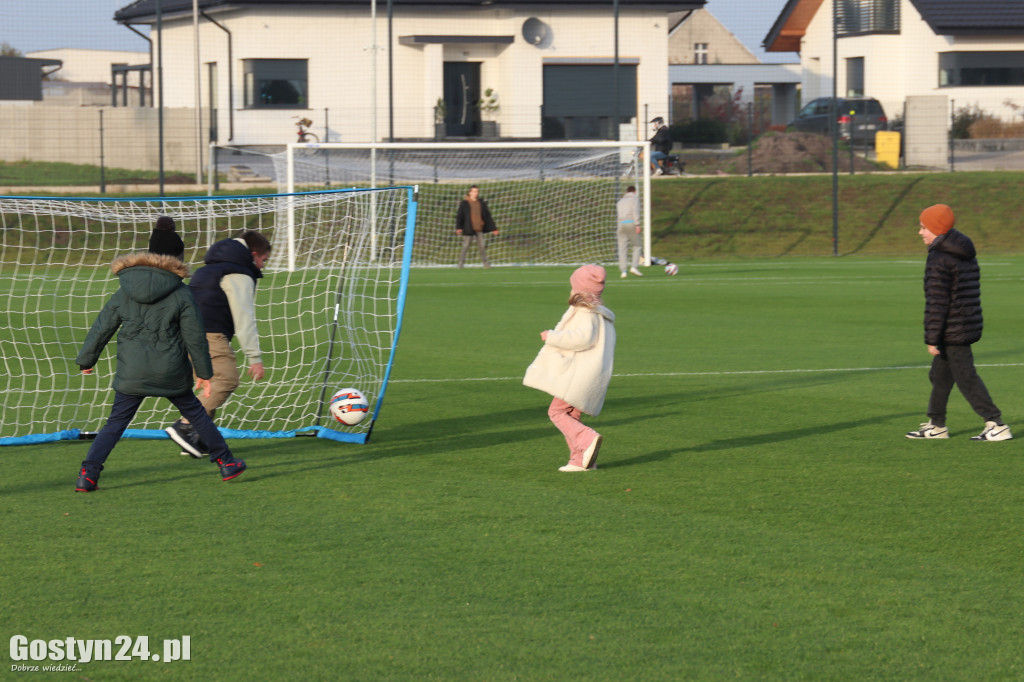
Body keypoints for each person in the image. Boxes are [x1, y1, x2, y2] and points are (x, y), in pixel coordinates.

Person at [74, 240, 247, 491]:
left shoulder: (124, 291)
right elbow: (195, 337)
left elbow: (102, 328)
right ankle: (226, 463)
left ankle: (88, 475)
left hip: (132, 372)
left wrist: (86, 360)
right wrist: (205, 373)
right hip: (171, 371)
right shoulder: (182, 292)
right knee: (198, 416)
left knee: (115, 424)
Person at [905, 204, 1012, 441]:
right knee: (939, 375)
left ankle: (996, 423)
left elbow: (937, 302)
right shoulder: (961, 251)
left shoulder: (939, 257)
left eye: (923, 227)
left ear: (936, 228)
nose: (920, 232)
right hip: (964, 324)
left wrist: (932, 339)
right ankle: (937, 425)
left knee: (965, 376)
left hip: (952, 329)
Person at [165, 230, 271, 457]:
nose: (262, 266)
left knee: (209, 385)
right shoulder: (239, 273)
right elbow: (244, 317)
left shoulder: (208, 269)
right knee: (227, 379)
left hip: (184, 332)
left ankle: (197, 439)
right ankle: (185, 427)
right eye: (263, 260)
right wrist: (254, 358)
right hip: (209, 335)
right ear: (253, 254)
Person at [524, 265, 617, 472]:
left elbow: (583, 338)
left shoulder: (585, 311)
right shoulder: (601, 314)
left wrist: (553, 337)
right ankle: (581, 460)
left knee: (556, 412)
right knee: (571, 415)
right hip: (591, 375)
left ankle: (587, 438)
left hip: (579, 375)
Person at [455, 185, 499, 268]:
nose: (476, 193)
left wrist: (494, 228)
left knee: (482, 247)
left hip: (479, 228)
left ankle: (486, 264)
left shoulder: (481, 203)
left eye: (477, 191)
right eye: (474, 191)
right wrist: (458, 227)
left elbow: (487, 216)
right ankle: (460, 264)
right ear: (470, 192)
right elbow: (460, 216)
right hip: (469, 228)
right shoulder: (464, 203)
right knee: (465, 246)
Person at [616, 185, 643, 278]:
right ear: (634, 192)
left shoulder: (620, 201)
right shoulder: (635, 199)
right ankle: (634, 267)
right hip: (631, 222)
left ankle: (623, 271)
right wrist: (637, 224)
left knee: (622, 248)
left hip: (620, 224)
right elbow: (636, 211)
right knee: (637, 245)